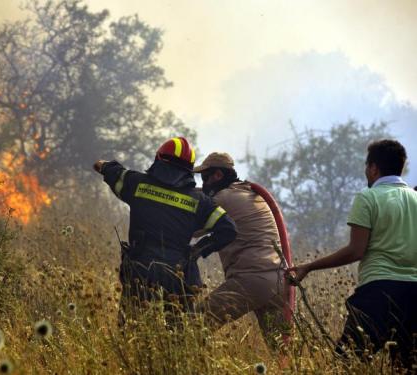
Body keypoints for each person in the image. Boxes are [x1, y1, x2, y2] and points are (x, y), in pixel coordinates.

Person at [288, 139, 417, 368]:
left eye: (367, 167)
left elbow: (356, 251)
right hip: (414, 296)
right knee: (406, 366)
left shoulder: (368, 198)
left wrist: (309, 266)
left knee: (346, 364)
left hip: (378, 294)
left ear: (374, 168)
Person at [93, 137, 236, 321]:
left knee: (131, 331)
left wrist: (102, 165)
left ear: (158, 159)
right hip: (178, 277)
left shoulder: (136, 183)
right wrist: (198, 250)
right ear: (189, 170)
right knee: (174, 338)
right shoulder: (200, 202)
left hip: (140, 274)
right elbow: (228, 229)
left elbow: (106, 168)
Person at [193, 152, 288, 349]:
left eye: (205, 177)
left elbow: (193, 229)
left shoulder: (223, 198)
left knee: (193, 325)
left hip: (251, 280)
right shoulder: (248, 194)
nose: (204, 183)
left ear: (218, 176)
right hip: (279, 281)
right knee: (282, 352)